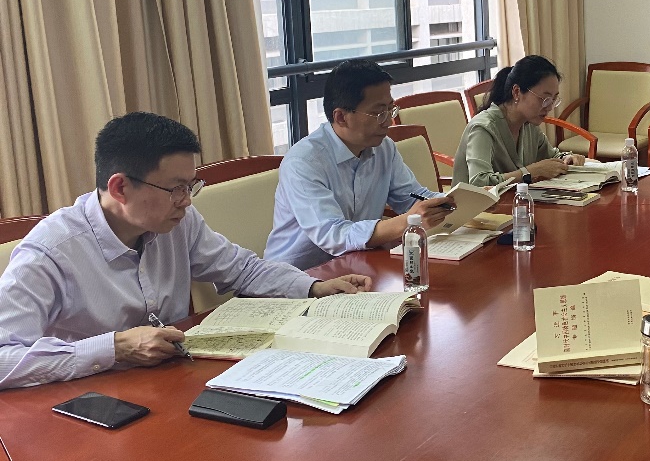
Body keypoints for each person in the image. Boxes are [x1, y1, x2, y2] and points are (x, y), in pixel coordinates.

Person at [0, 113, 371, 390]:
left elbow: (242, 269)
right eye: (175, 188)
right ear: (120, 188)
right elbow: (4, 359)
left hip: (173, 383)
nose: (186, 201)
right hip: (90, 403)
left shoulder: (178, 222)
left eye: (191, 186)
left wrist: (313, 286)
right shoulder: (50, 252)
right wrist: (114, 348)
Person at [265, 59, 453, 271]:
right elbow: (334, 235)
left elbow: (411, 196)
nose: (388, 121)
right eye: (379, 113)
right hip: (297, 276)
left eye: (390, 110)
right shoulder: (304, 163)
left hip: (356, 265)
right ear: (341, 117)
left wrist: (458, 200)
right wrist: (407, 221)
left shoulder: (384, 148)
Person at [452, 55, 586, 187]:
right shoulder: (483, 128)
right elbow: (479, 182)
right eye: (545, 99)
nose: (550, 107)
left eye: (553, 100)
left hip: (513, 199)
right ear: (516, 92)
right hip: (473, 202)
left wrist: (567, 158)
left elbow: (551, 155)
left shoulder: (528, 124)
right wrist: (530, 172)